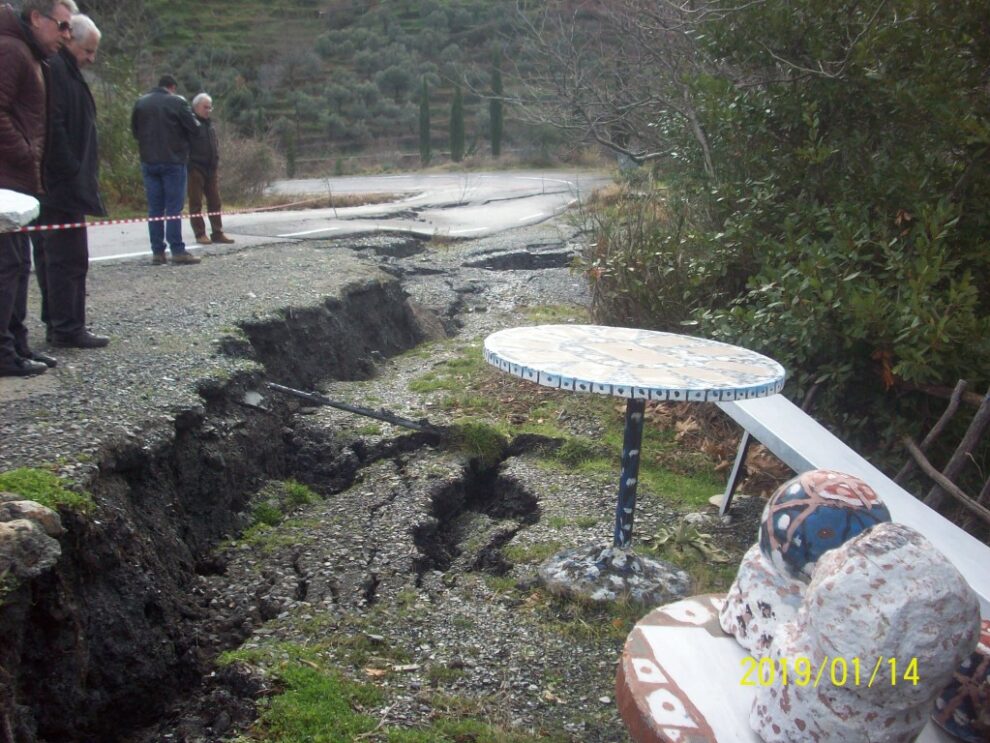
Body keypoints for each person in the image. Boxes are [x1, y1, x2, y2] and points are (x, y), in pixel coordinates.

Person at [0, 0, 76, 377]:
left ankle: (17, 345)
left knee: (18, 264)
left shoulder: (29, 54)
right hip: (8, 181)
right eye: (62, 26)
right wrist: (25, 153)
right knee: (8, 264)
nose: (67, 35)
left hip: (20, 181)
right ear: (36, 18)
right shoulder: (11, 50)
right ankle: (4, 352)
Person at [31, 13, 109, 349]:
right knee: (67, 257)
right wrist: (72, 169)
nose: (91, 58)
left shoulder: (64, 70)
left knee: (61, 257)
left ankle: (62, 323)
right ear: (69, 39)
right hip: (61, 185)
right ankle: (66, 327)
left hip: (64, 182)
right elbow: (56, 126)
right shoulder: (58, 71)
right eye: (88, 50)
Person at [130, 74, 201, 265]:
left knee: (154, 209)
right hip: (173, 160)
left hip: (149, 160)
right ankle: (177, 249)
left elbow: (135, 131)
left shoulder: (141, 103)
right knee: (173, 208)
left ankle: (157, 252)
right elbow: (194, 128)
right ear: (172, 87)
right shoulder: (177, 102)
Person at [187, 93, 234, 246]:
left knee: (215, 201)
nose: (208, 110)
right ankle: (200, 233)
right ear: (196, 107)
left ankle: (217, 232)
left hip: (211, 168)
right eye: (205, 107)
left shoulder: (210, 125)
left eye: (210, 107)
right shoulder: (190, 123)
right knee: (196, 203)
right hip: (195, 168)